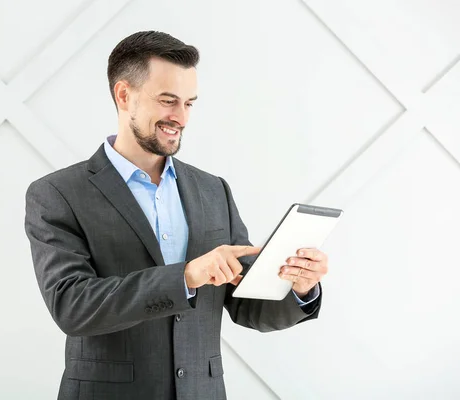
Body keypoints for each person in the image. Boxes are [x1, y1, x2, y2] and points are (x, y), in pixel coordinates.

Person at [24, 30, 329, 400]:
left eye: (189, 103)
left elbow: (247, 306)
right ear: (124, 95)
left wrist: (298, 287)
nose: (180, 117)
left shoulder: (213, 190)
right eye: (168, 101)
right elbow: (71, 306)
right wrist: (186, 276)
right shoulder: (57, 194)